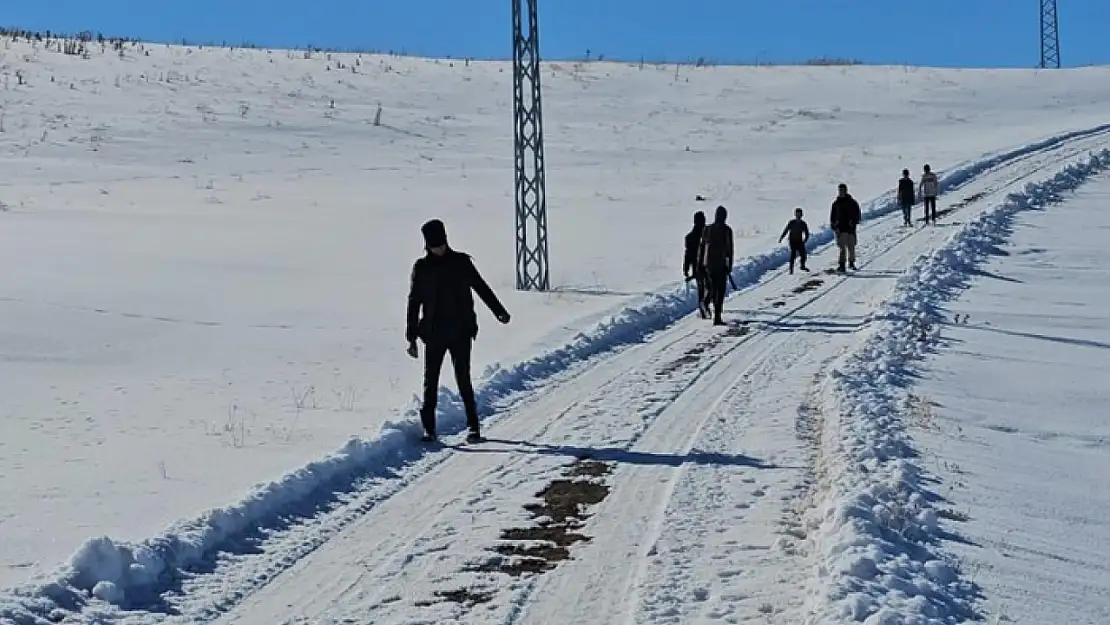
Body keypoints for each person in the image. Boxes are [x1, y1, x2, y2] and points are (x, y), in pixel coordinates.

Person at [406, 219, 510, 443]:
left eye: (442, 244)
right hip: (433, 333)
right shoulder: (422, 268)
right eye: (435, 245)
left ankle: (474, 427)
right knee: (430, 381)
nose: (439, 249)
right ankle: (429, 429)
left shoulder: (461, 262)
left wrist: (499, 311)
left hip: (460, 330)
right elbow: (414, 302)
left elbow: (481, 287)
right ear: (427, 245)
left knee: (463, 378)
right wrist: (411, 336)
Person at [699, 205, 734, 326]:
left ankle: (707, 302)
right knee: (720, 290)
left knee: (713, 288)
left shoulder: (707, 229)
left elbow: (702, 248)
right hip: (720, 264)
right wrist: (729, 265)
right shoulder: (727, 230)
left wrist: (700, 264)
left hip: (708, 264)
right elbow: (730, 250)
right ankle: (717, 316)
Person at [683, 210, 710, 318]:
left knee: (701, 289)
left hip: (697, 267)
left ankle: (702, 308)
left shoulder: (690, 237)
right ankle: (705, 304)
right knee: (710, 288)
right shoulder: (708, 234)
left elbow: (687, 254)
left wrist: (685, 267)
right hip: (708, 265)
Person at [829, 183, 861, 272]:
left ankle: (851, 262)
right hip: (840, 228)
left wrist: (854, 222)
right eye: (840, 190)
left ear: (846, 191)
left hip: (850, 228)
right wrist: (833, 226)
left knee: (851, 247)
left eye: (843, 190)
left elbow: (857, 214)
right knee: (842, 248)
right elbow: (832, 216)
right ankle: (842, 265)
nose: (841, 192)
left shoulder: (852, 202)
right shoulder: (836, 204)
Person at [778, 207, 810, 274]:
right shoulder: (791, 222)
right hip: (792, 241)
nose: (798, 215)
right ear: (795, 214)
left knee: (803, 255)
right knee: (793, 255)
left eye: (800, 214)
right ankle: (791, 270)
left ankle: (802, 266)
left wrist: (805, 240)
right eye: (797, 214)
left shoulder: (803, 223)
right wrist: (781, 237)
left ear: (802, 215)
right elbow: (786, 230)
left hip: (800, 241)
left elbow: (807, 233)